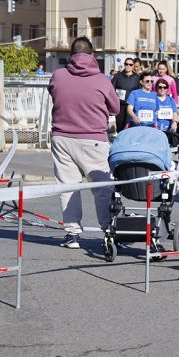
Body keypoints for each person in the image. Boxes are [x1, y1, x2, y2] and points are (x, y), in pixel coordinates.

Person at [48, 37, 120, 249]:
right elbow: (115, 108)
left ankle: (72, 234)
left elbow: (54, 94)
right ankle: (108, 230)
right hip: (94, 139)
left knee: (68, 187)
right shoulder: (102, 80)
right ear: (92, 55)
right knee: (101, 188)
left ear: (70, 55)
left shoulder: (58, 76)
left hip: (62, 138)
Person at [111, 56, 141, 132]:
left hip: (130, 106)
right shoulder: (118, 75)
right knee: (120, 125)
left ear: (133, 66)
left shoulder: (137, 78)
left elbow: (139, 92)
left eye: (130, 65)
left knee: (128, 126)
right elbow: (111, 88)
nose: (128, 66)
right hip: (120, 105)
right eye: (126, 64)